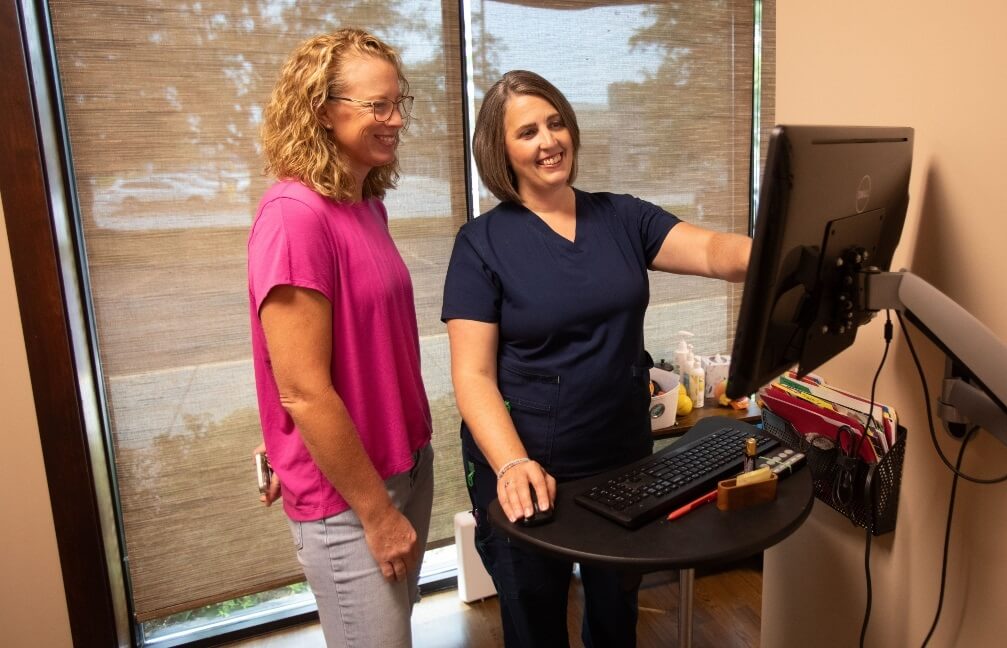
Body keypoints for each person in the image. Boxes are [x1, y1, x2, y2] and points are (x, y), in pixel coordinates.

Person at [441, 69, 752, 648]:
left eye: (556, 123)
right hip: (530, 474)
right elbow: (473, 375)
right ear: (500, 150)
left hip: (623, 460)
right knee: (535, 625)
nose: (548, 140)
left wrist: (781, 252)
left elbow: (713, 251)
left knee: (616, 615)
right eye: (527, 131)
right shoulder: (481, 244)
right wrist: (511, 464)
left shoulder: (621, 217)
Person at [248, 28, 433, 648]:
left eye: (397, 101)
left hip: (401, 465)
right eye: (378, 105)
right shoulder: (294, 217)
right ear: (323, 111)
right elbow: (302, 387)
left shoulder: (362, 205)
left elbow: (322, 353)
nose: (396, 118)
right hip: (352, 499)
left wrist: (282, 427)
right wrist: (377, 514)